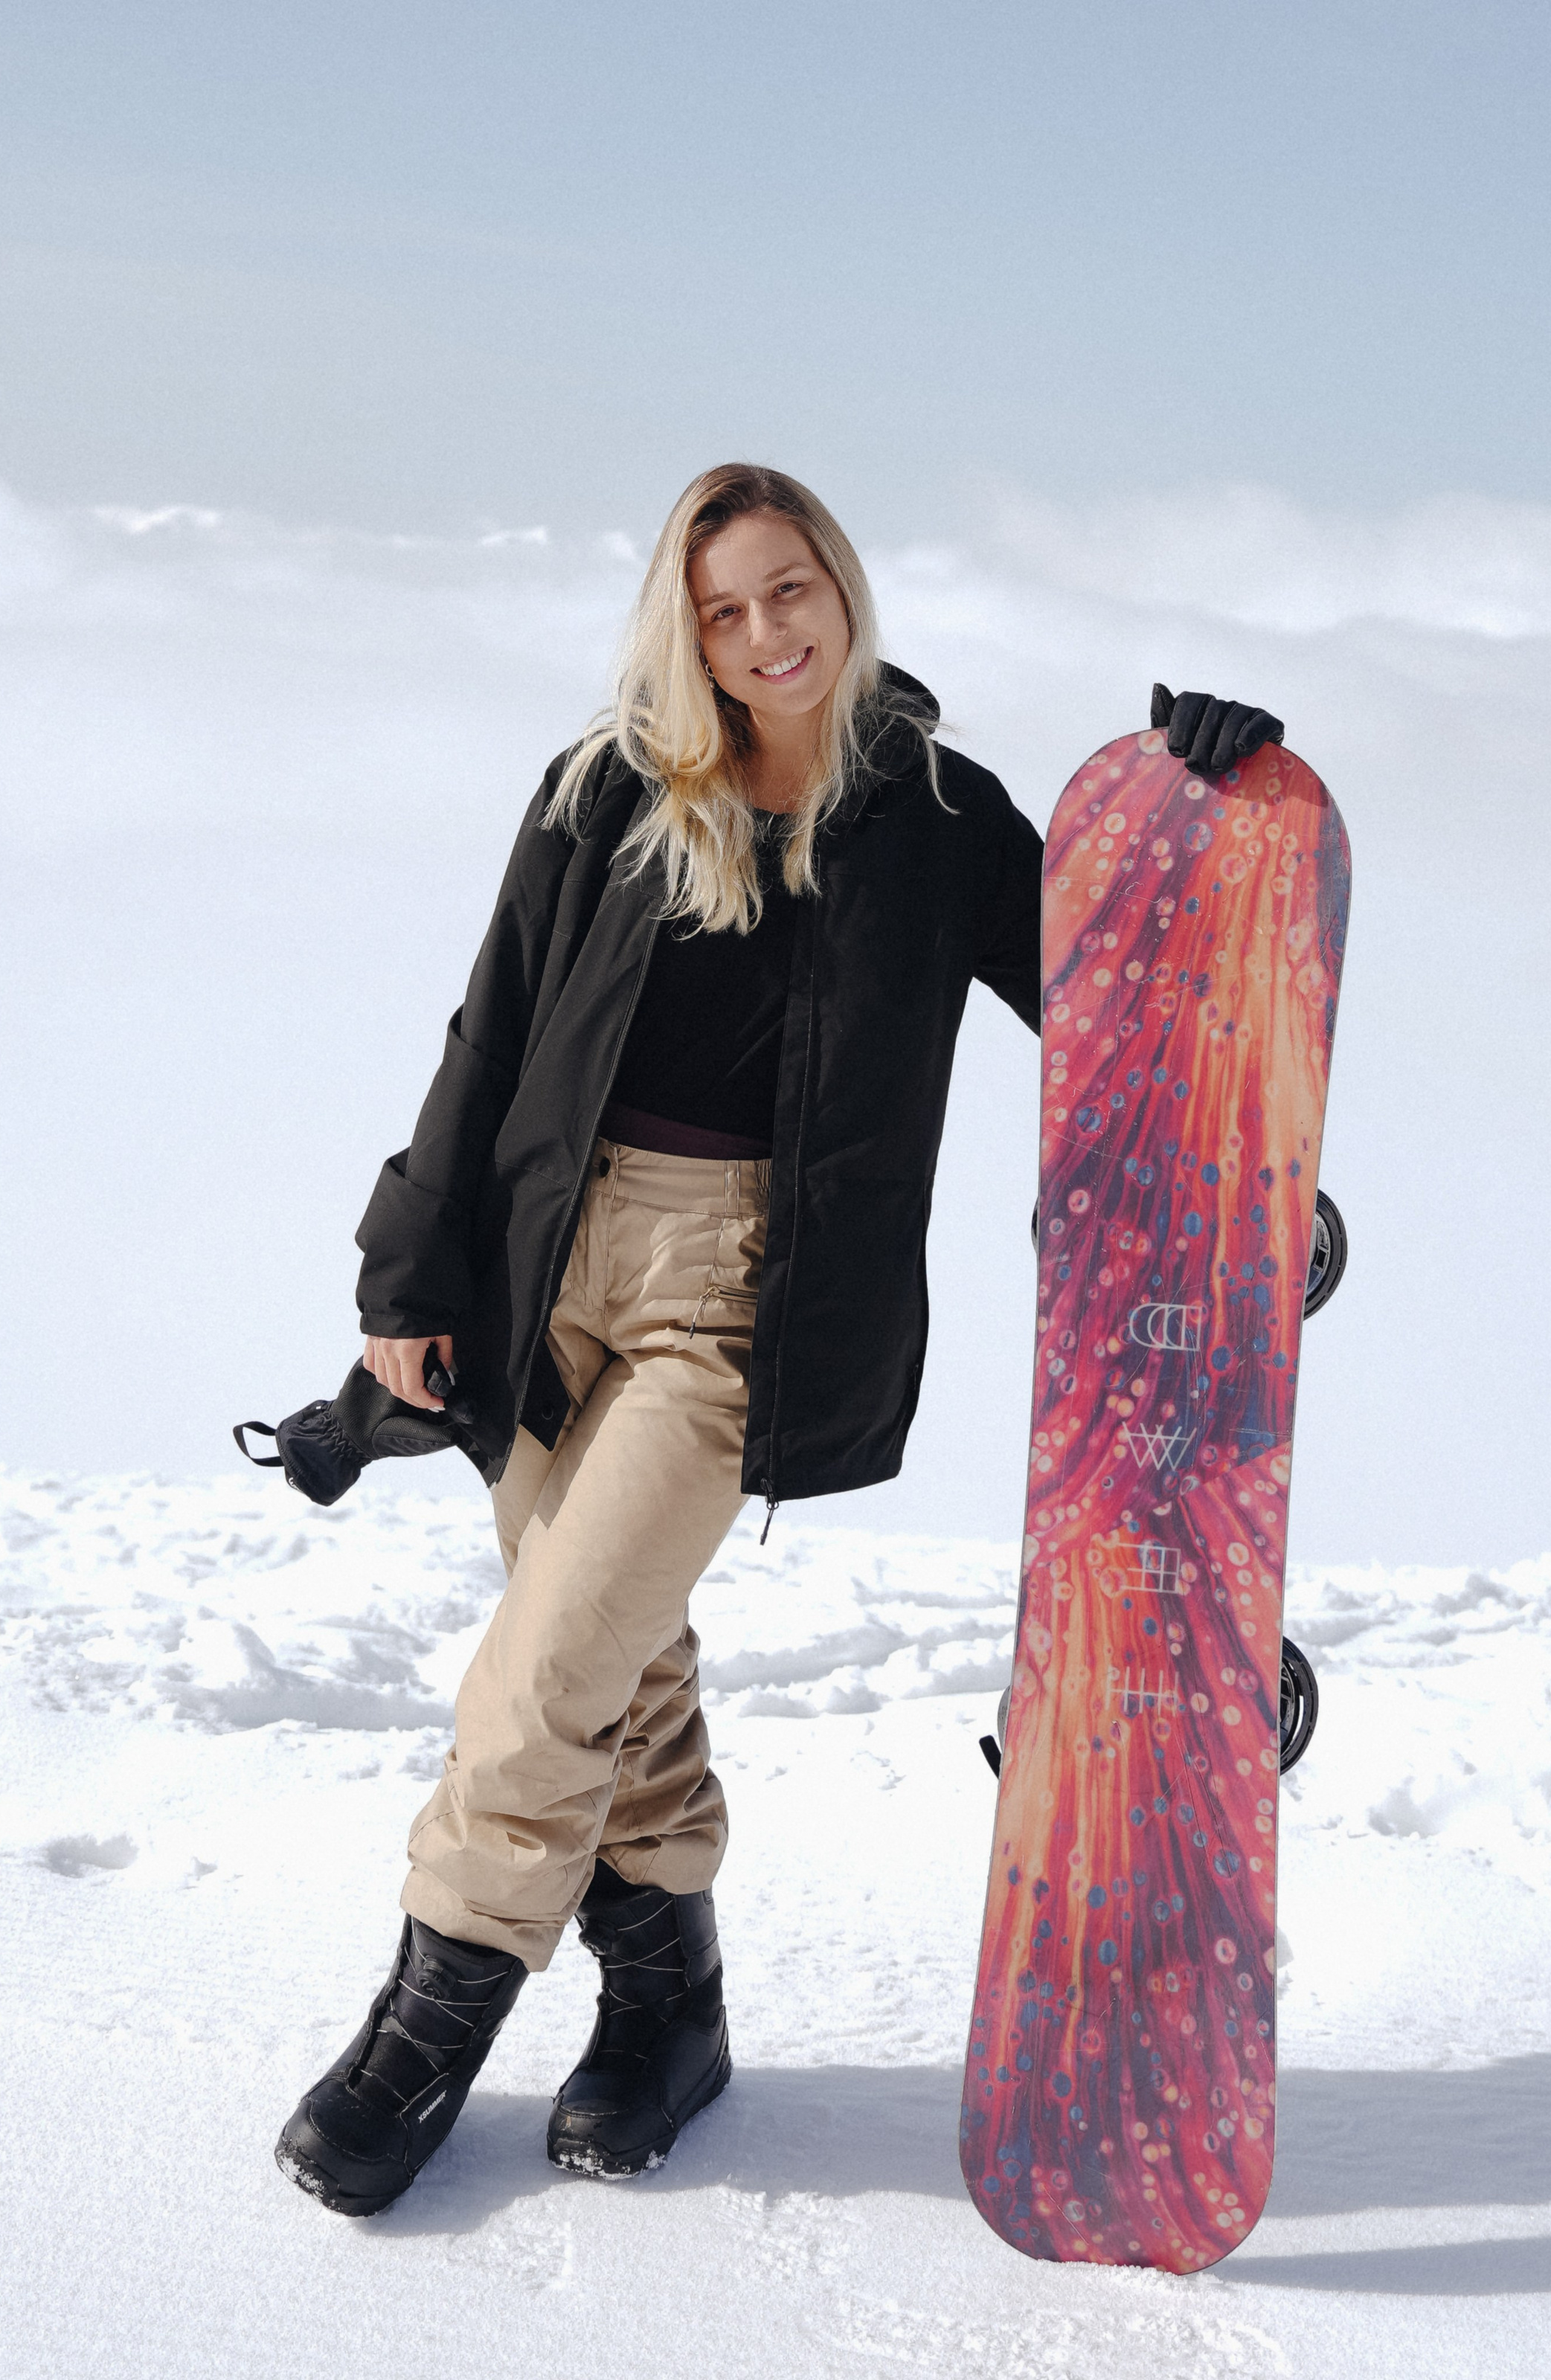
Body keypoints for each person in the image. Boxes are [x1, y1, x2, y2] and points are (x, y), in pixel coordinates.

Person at [273, 463, 1283, 2216]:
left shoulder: (937, 819)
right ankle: (670, 2008)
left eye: (787, 589)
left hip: (736, 1296)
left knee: (545, 1668)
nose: (763, 635)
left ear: (841, 583)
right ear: (688, 626)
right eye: (723, 609)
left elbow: (1119, 998)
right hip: (544, 1264)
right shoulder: (607, 787)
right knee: (621, 1657)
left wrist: (1201, 810)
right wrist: (403, 1285)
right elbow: (489, 1032)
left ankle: (421, 2025)